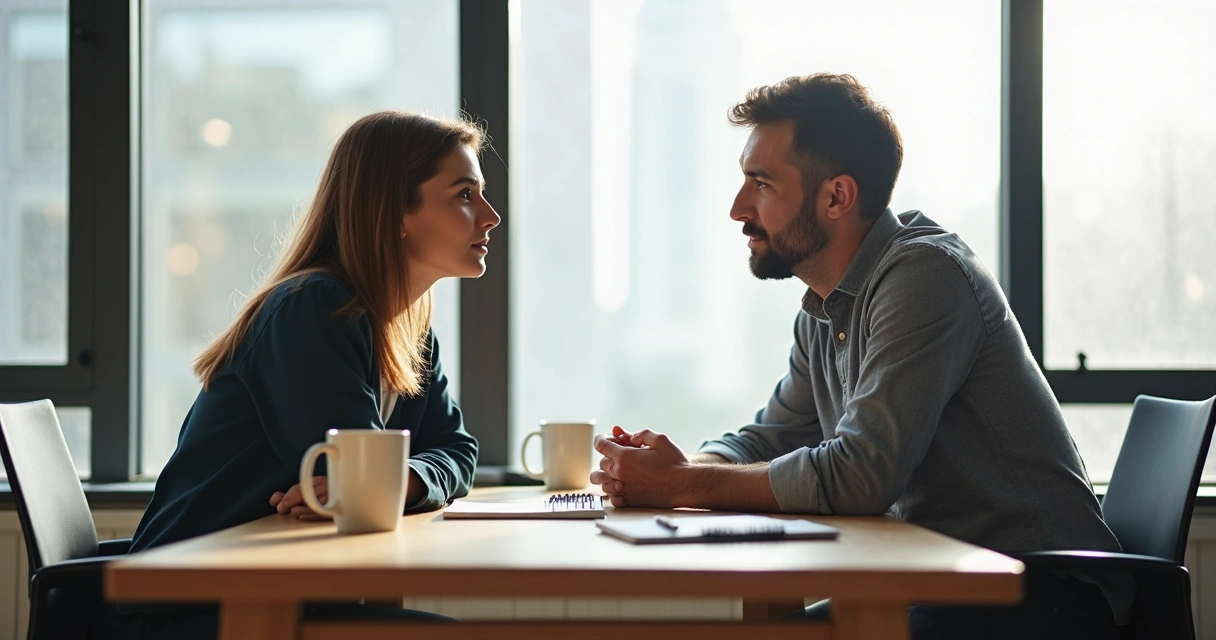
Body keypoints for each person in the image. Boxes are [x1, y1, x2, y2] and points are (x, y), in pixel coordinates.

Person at [589, 74, 1125, 639]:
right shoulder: (825, 307)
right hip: (936, 584)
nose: (736, 208)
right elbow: (770, 437)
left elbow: (861, 473)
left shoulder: (924, 277)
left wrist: (680, 486)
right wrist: (677, 466)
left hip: (1037, 592)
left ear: (837, 196)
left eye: (761, 184)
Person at [107, 111, 498, 639]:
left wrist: (406, 481)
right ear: (393, 213)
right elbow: (357, 485)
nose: (491, 215)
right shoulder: (313, 310)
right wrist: (383, 483)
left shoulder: (409, 330)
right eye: (464, 195)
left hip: (274, 593)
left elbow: (456, 452)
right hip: (188, 609)